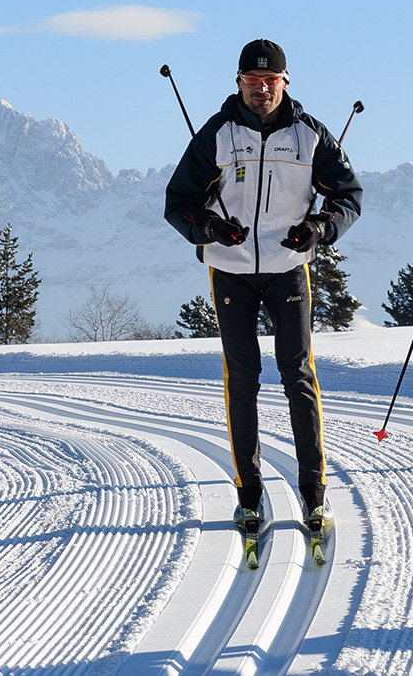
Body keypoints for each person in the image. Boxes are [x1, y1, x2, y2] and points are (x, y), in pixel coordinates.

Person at [164, 39, 362, 540]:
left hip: (288, 269)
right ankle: (248, 497)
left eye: (269, 82)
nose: (261, 91)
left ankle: (314, 496)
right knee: (242, 378)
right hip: (230, 270)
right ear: (239, 84)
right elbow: (178, 201)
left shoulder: (309, 135)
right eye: (252, 83)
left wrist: (320, 228)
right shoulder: (217, 133)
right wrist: (207, 228)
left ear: (285, 82)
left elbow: (349, 195)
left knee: (298, 376)